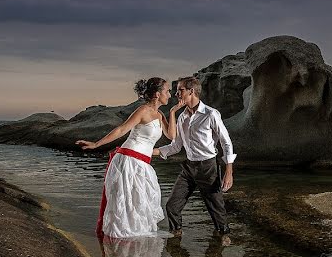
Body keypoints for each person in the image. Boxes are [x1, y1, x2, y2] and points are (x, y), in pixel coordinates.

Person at [76, 78, 183, 238]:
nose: (170, 94)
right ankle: (121, 243)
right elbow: (121, 129)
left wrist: (174, 112)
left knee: (140, 204)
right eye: (167, 91)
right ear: (157, 94)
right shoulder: (143, 111)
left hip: (143, 163)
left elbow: (172, 135)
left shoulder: (160, 115)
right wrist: (97, 144)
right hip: (129, 160)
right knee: (126, 204)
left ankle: (131, 243)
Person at [153, 76, 236, 237]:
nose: (176, 94)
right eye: (176, 91)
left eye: (180, 90)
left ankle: (223, 239)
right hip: (189, 168)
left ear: (191, 91)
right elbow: (175, 147)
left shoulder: (211, 114)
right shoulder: (182, 117)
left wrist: (229, 171)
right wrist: (147, 151)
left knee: (217, 210)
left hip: (208, 167)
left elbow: (226, 143)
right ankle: (176, 236)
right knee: (172, 206)